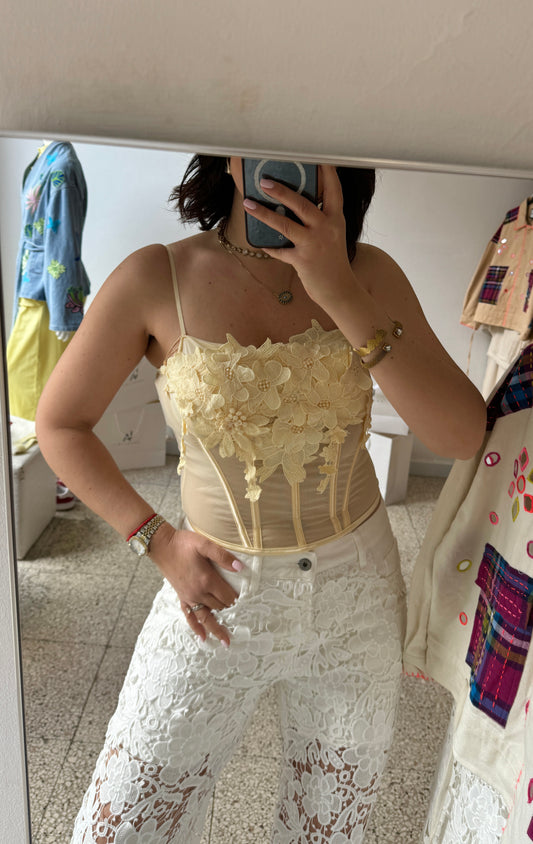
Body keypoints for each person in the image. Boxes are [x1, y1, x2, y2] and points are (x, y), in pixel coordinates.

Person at [36, 156, 486, 843]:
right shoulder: (157, 275)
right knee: (120, 826)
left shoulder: (368, 274)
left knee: (328, 831)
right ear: (228, 150)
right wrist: (155, 539)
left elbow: (459, 435)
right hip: (213, 595)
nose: (283, 158)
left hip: (357, 599)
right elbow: (61, 423)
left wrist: (339, 292)